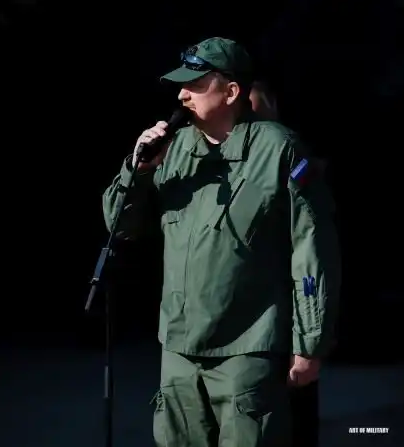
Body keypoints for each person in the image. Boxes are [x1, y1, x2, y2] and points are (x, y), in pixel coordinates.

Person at [101, 37, 341, 447]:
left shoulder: (278, 149)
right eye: (181, 85)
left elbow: (312, 251)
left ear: (231, 92)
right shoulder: (173, 150)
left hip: (248, 348)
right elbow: (119, 227)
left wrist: (309, 344)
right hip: (179, 349)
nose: (182, 95)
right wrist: (137, 170)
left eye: (195, 85)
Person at [249, 80, 322, 447]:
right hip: (248, 334)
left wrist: (307, 342)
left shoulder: (291, 156)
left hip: (286, 323)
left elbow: (310, 257)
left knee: (295, 421)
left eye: (254, 109)